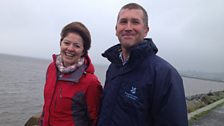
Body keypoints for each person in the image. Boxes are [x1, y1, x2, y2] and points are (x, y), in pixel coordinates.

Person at [97, 3, 188, 126]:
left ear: (146, 31)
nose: (128, 27)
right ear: (116, 29)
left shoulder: (164, 74)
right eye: (123, 22)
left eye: (135, 22)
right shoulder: (114, 67)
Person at [39, 22, 102, 126]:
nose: (70, 49)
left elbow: (95, 119)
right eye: (67, 43)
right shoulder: (52, 68)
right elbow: (47, 105)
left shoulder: (91, 82)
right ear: (61, 43)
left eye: (76, 46)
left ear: (83, 51)